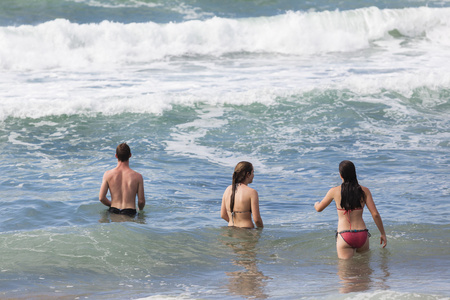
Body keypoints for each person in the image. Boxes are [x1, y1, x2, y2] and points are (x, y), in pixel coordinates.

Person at [314, 160, 386, 259]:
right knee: (364, 271)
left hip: (345, 234)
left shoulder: (334, 191)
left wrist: (316, 204)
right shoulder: (365, 191)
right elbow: (375, 214)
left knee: (345, 272)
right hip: (362, 234)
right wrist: (382, 233)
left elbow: (319, 209)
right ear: (354, 173)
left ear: (341, 175)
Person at [99, 143, 145, 216]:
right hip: (130, 212)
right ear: (130, 155)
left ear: (116, 156)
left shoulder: (107, 174)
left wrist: (112, 205)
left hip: (113, 210)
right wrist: (140, 211)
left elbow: (101, 198)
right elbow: (141, 201)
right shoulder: (138, 176)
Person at [221, 161, 263, 228]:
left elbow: (223, 215)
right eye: (253, 172)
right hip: (247, 230)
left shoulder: (228, 189)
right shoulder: (252, 192)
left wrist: (235, 225)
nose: (253, 175)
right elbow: (257, 220)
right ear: (248, 174)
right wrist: (261, 231)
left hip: (231, 229)